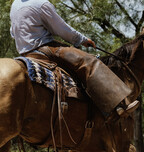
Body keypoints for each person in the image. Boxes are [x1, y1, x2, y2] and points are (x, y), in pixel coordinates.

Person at [10, 0, 139, 119]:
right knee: (90, 62)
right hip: (44, 49)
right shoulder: (41, 4)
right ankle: (118, 105)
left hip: (25, 53)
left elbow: (12, 32)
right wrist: (82, 40)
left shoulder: (15, 5)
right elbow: (62, 29)